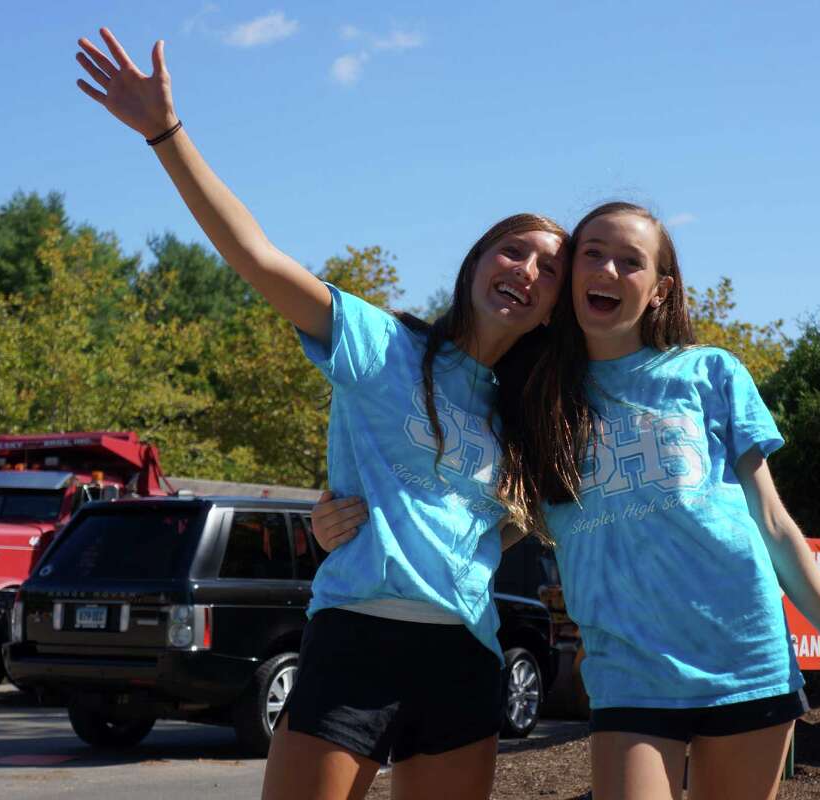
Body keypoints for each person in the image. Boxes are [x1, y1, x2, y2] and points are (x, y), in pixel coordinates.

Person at [73, 28, 567, 800]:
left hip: (466, 657)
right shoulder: (381, 346)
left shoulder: (526, 415)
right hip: (355, 642)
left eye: (547, 271)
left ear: (549, 315)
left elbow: (508, 518)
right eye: (513, 250)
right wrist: (166, 134)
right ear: (477, 261)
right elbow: (259, 258)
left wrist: (458, 526)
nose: (526, 271)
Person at [313, 202, 820, 800]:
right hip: (628, 679)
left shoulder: (711, 373)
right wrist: (362, 524)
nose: (608, 271)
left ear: (660, 288)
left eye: (630, 261)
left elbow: (773, 525)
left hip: (746, 660)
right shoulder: (535, 400)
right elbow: (485, 508)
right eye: (592, 254)